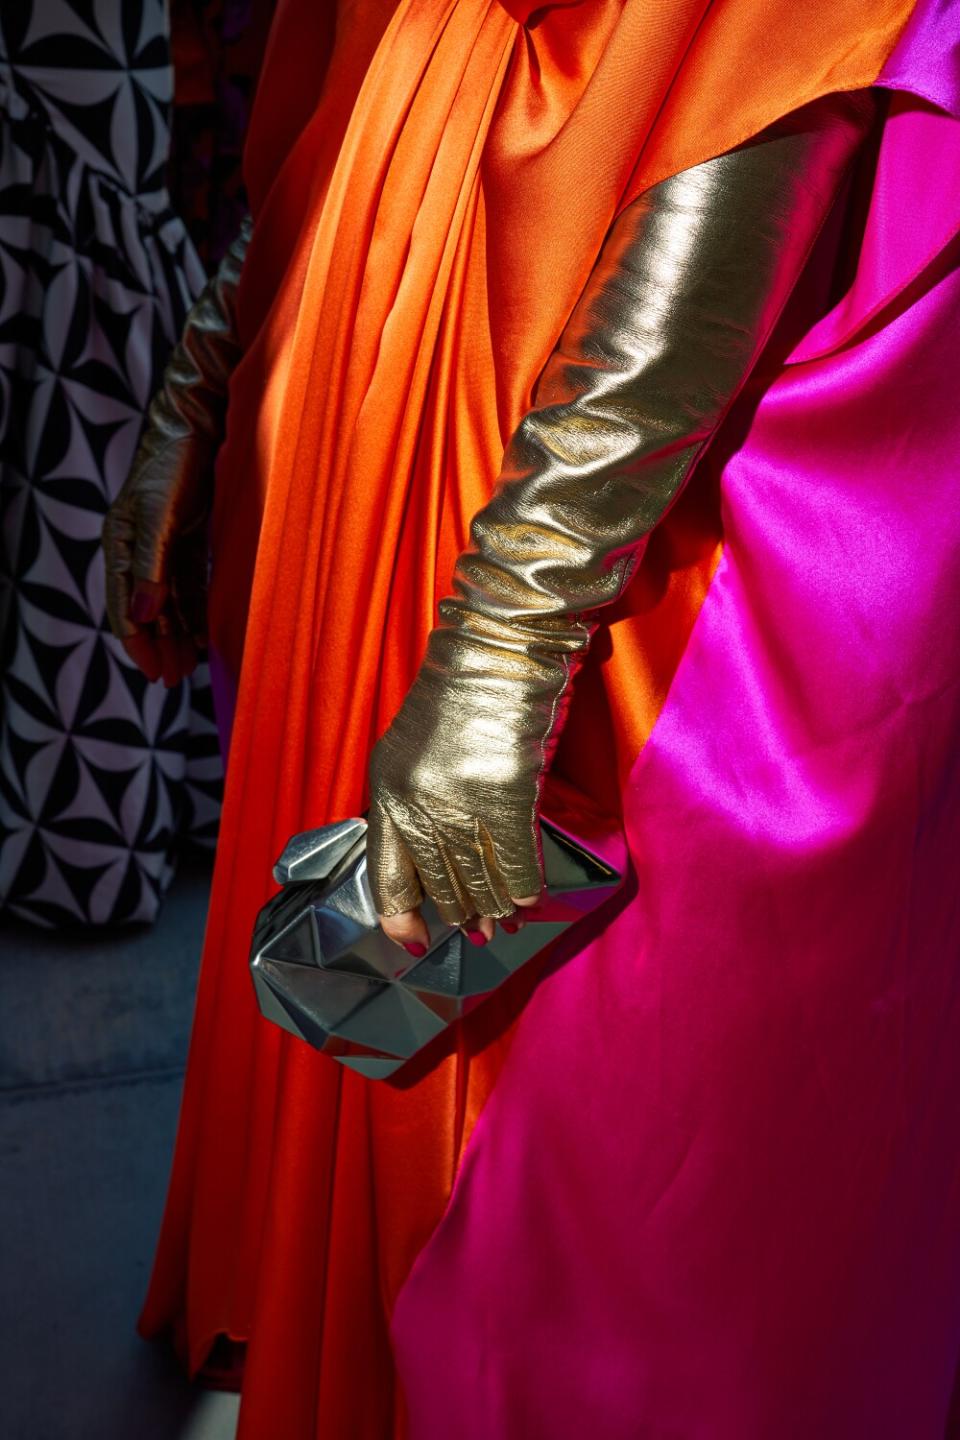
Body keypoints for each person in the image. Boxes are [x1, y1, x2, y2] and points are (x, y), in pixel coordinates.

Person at [103, 0, 960, 1434]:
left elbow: (771, 55)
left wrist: (511, 627)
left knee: (540, 1049)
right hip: (397, 258)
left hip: (580, 385)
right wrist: (215, 355)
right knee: (381, 978)